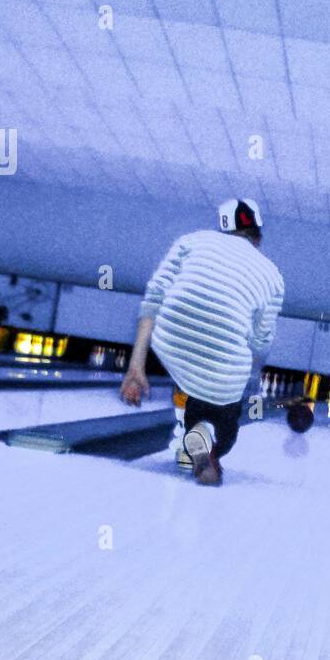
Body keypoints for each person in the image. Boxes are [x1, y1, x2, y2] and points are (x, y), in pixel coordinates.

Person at [120, 199, 284, 485]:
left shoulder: (191, 241)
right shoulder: (273, 276)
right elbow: (261, 341)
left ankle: (191, 420)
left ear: (222, 229)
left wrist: (136, 366)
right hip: (225, 369)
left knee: (191, 377)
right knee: (225, 414)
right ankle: (213, 454)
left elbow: (154, 298)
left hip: (168, 343)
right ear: (258, 236)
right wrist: (249, 372)